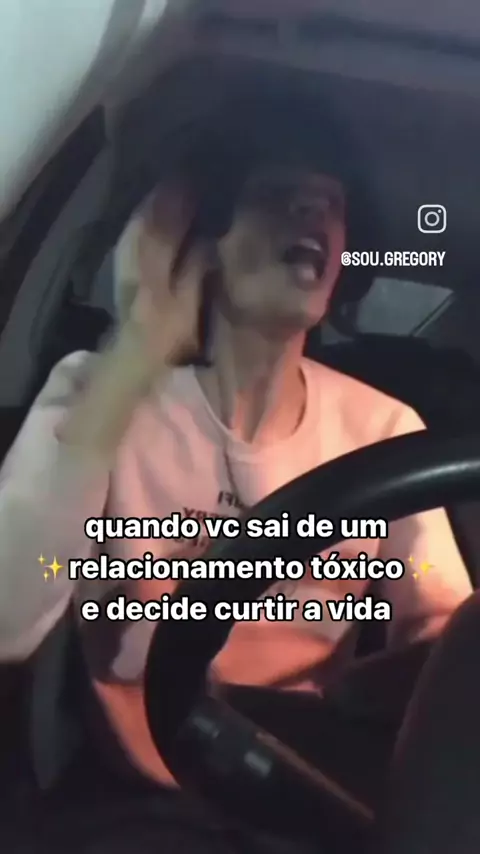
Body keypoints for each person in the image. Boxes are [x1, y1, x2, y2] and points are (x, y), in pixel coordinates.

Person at [0, 112, 472, 795]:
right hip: (136, 789)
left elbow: (445, 634)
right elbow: (6, 620)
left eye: (331, 202)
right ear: (205, 241)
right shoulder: (102, 393)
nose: (313, 211)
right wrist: (138, 348)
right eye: (276, 193)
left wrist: (394, 685)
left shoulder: (384, 427)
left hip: (301, 782)